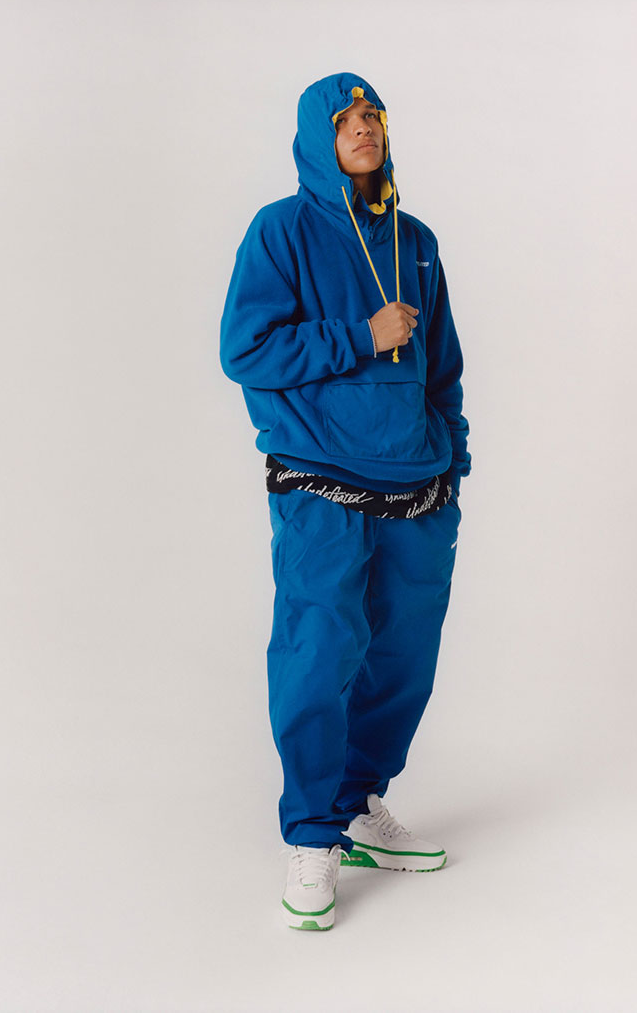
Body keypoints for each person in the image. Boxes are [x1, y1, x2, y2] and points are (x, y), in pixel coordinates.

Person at [220, 72, 471, 931]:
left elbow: (443, 367)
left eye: (372, 115)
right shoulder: (281, 230)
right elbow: (246, 348)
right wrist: (361, 335)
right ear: (315, 140)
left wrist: (454, 460)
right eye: (343, 119)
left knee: (404, 659)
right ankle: (311, 832)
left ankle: (359, 802)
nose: (363, 127)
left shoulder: (417, 241)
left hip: (419, 484)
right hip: (320, 477)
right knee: (318, 651)